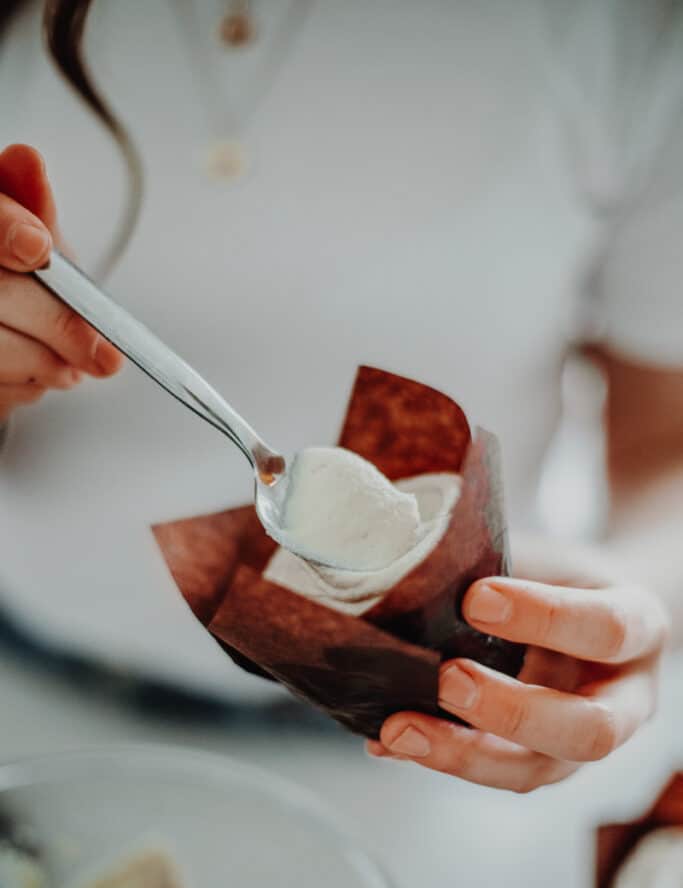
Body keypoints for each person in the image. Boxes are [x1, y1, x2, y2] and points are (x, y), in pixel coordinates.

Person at [0, 0, 681, 792]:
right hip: (25, 688)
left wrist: (634, 592)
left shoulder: (625, 30)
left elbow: (662, 438)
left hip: (414, 742)